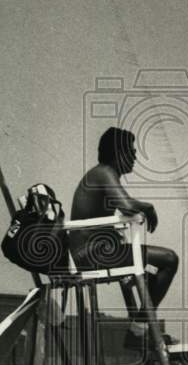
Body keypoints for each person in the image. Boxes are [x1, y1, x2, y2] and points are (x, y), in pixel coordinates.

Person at [70, 126, 178, 348]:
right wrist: (149, 206)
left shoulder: (102, 173)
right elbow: (127, 205)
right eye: (131, 151)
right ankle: (137, 332)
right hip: (92, 254)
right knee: (169, 259)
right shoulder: (103, 172)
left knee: (151, 276)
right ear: (118, 153)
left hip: (93, 251)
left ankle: (140, 330)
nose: (135, 156)